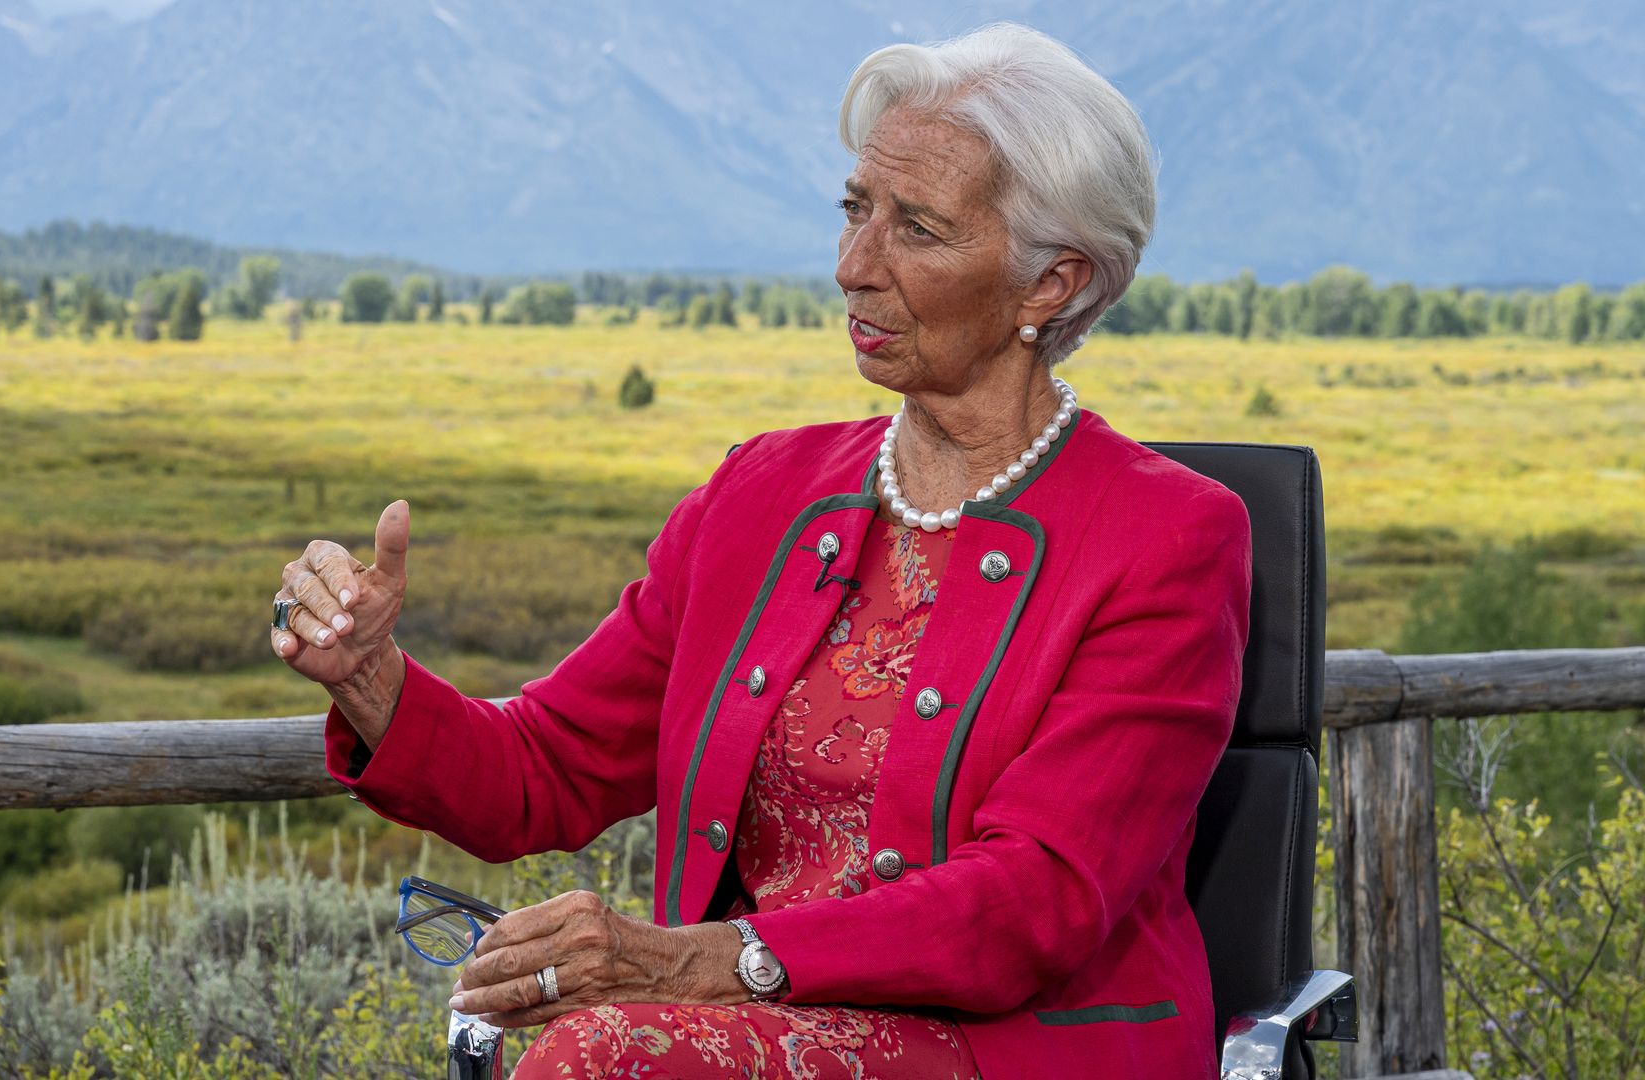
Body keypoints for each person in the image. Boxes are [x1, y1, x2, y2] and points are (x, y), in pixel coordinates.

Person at [271, 21, 1250, 1080]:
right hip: (738, 1033)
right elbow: (542, 770)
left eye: (915, 228)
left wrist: (700, 961)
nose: (852, 266)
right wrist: (368, 677)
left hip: (1009, 1049)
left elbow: (1032, 903)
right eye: (854, 209)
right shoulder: (761, 494)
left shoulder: (1168, 539)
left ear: (1050, 283)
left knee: (600, 1057)